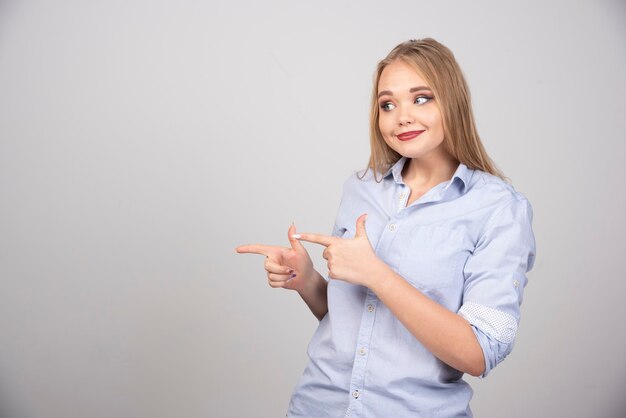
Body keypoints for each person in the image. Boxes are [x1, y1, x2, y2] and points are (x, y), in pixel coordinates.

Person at [236, 38, 536, 417]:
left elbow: (479, 353)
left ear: (453, 102)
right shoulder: (361, 188)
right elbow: (350, 322)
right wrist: (307, 279)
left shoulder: (498, 209)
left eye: (421, 98)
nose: (401, 117)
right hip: (318, 406)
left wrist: (377, 275)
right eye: (387, 104)